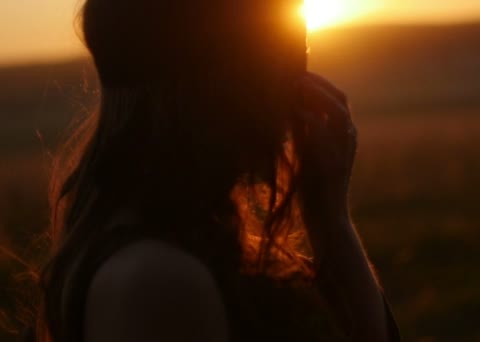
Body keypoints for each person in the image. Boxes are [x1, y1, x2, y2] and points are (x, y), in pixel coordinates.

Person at [26, 0, 401, 341]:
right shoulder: (158, 281)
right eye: (282, 61)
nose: (298, 90)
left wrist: (331, 220)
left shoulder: (165, 250)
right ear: (219, 80)